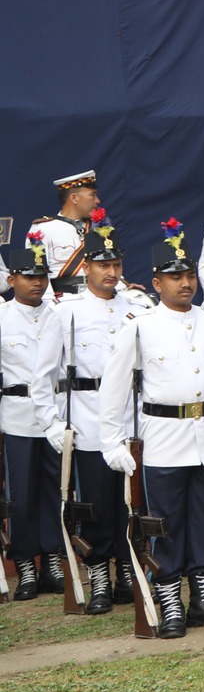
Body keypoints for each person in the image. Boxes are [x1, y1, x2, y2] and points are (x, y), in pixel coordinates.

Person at [101, 219, 204, 638]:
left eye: (188, 275)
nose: (185, 283)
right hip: (163, 438)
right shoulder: (140, 326)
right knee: (164, 524)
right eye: (174, 277)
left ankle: (203, 598)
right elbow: (114, 392)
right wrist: (113, 443)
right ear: (156, 282)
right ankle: (170, 604)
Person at [32, 210, 148, 612]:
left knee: (131, 502)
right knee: (97, 504)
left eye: (116, 264)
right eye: (103, 265)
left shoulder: (137, 307)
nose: (111, 272)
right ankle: (99, 572)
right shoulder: (66, 312)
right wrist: (51, 423)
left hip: (133, 420)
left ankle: (127, 571)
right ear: (87, 267)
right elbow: (42, 376)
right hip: (87, 419)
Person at [2, 233, 60, 599]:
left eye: (42, 276)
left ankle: (53, 561)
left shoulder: (60, 316)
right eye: (28, 276)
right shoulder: (2, 318)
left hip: (54, 416)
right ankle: (25, 566)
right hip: (17, 416)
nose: (37, 283)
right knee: (21, 496)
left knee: (55, 492)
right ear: (12, 280)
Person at [33, 170, 100, 296]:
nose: (97, 201)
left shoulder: (99, 228)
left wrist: (124, 285)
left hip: (96, 297)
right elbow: (37, 272)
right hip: (63, 300)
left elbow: (108, 265)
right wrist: (50, 304)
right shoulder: (42, 229)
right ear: (74, 198)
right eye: (93, 195)